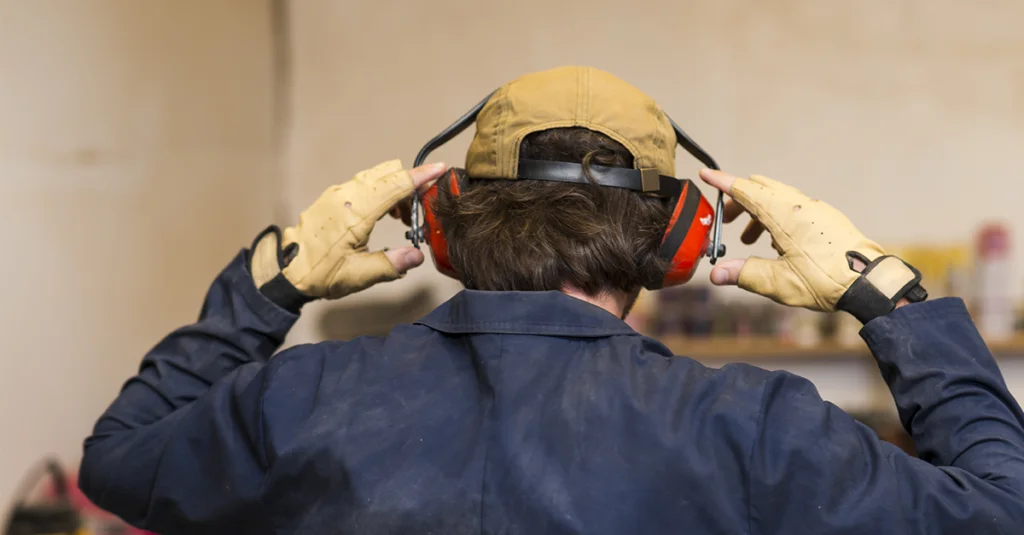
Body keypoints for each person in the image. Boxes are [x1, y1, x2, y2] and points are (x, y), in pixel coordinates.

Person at [80, 67, 1024, 534]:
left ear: (443, 224)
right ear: (680, 239)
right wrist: (891, 298)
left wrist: (267, 283)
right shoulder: (759, 431)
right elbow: (1004, 507)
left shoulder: (299, 403)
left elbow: (117, 460)